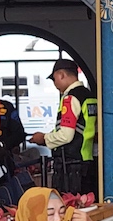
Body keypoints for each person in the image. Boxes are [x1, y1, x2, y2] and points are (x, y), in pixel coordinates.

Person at [30, 60, 98, 197]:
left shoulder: (70, 98)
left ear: (61, 75)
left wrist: (43, 138)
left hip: (71, 166)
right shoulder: (90, 96)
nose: (55, 85)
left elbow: (66, 135)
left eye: (54, 79)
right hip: (88, 160)